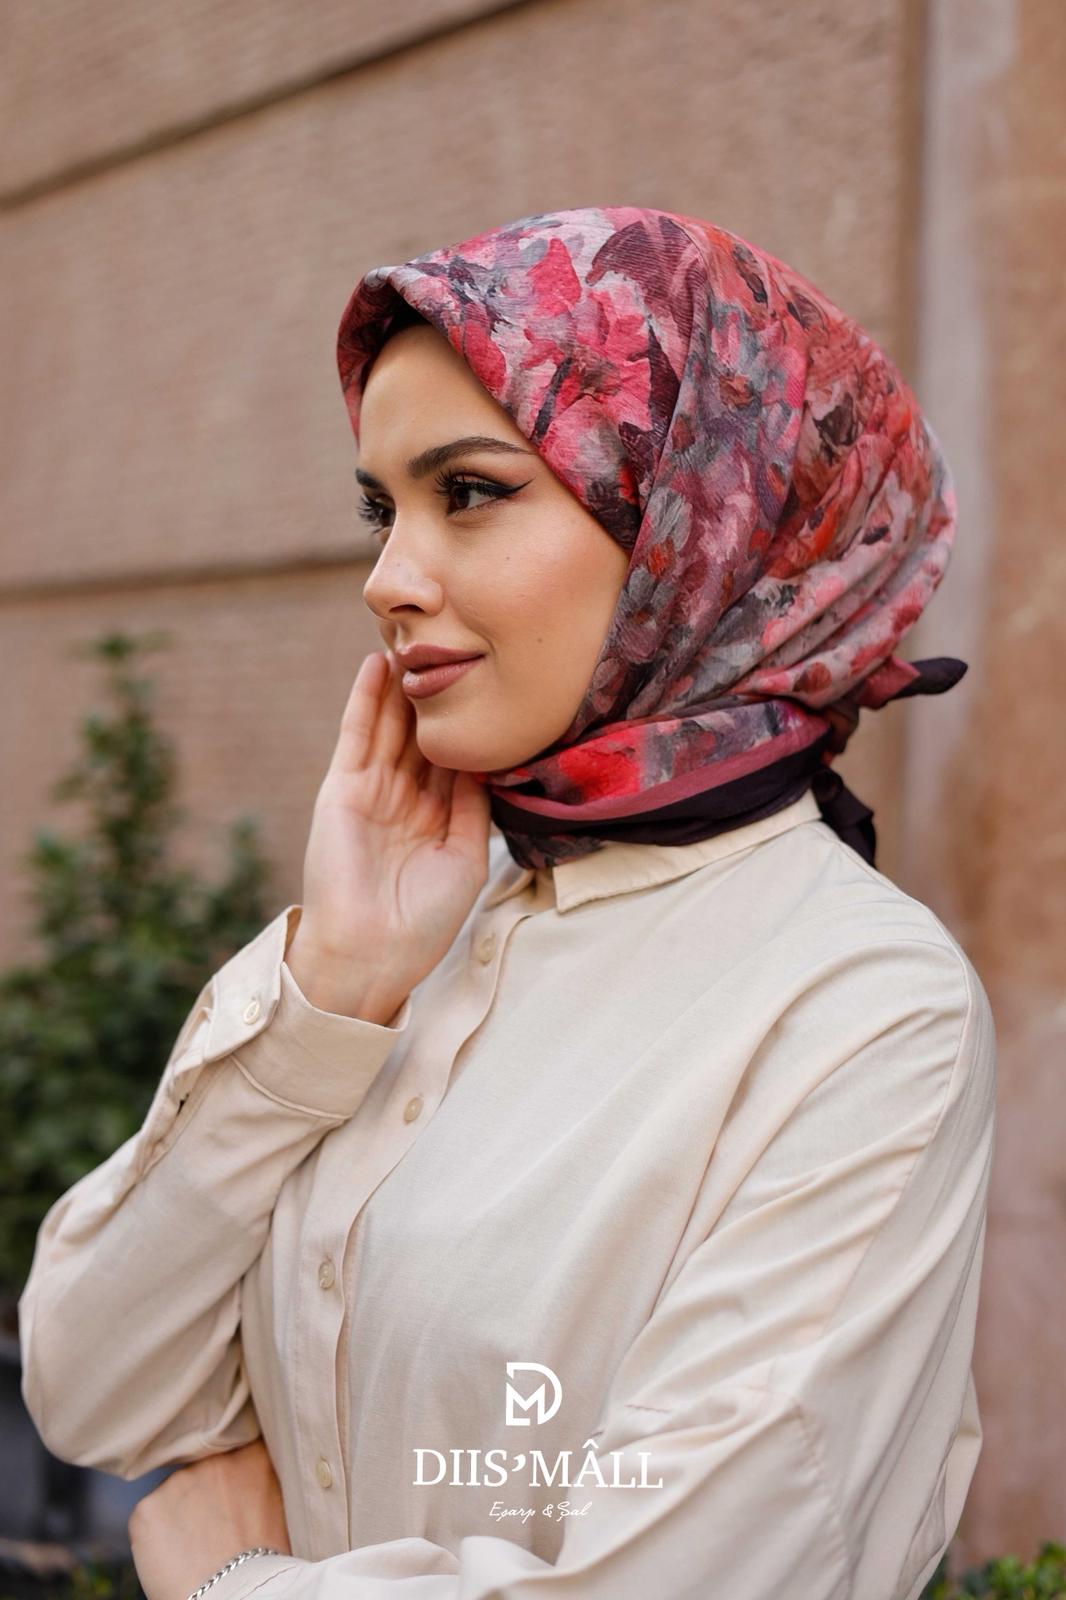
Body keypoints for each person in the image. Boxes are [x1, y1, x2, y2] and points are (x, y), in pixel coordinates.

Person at [18, 206, 997, 1600]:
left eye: (468, 493)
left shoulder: (861, 1010)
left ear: (697, 525)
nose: (388, 580)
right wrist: (326, 998)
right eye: (382, 509)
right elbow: (91, 1390)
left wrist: (235, 1583)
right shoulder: (405, 921)